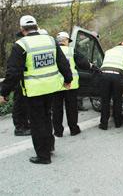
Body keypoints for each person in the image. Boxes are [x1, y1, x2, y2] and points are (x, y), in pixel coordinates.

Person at [0, 15, 72, 164]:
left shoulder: (21, 44)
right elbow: (62, 62)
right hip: (51, 88)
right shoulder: (51, 40)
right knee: (47, 117)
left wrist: (4, 93)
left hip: (34, 91)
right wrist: (68, 79)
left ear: (22, 29)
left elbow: (13, 73)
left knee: (37, 122)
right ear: (36, 26)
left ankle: (43, 156)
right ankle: (49, 147)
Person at [52, 32, 93, 137]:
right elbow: (84, 64)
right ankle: (74, 129)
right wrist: (90, 66)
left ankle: (58, 131)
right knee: (72, 109)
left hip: (56, 85)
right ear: (65, 41)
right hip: (71, 85)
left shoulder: (52, 51)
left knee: (57, 109)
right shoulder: (71, 51)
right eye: (68, 41)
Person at [99, 42, 123, 130]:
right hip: (117, 76)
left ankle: (104, 124)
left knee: (105, 100)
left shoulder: (109, 51)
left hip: (104, 75)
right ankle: (118, 123)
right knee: (117, 100)